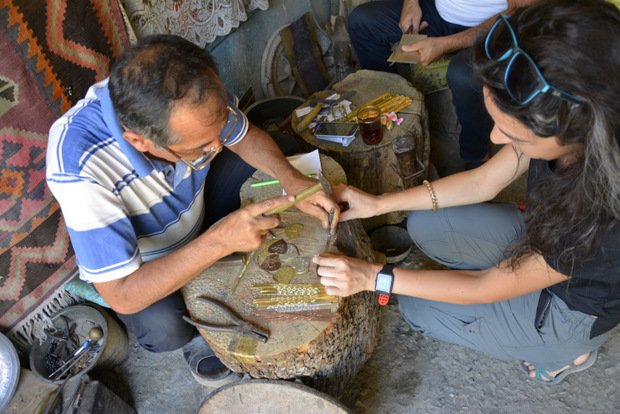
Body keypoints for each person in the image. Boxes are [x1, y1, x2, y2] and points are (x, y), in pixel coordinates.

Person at [316, 0, 620, 384]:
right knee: (425, 222)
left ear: (572, 131)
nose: (495, 138)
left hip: (570, 310)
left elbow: (484, 286)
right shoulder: (583, 122)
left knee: (417, 308)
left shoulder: (604, 212)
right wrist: (378, 203)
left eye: (511, 134)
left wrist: (372, 277)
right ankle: (519, 304)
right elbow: (483, 182)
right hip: (547, 245)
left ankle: (565, 354)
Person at [46, 35, 338, 380]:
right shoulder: (78, 166)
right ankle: (203, 336)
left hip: (196, 211)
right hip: (150, 266)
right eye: (200, 146)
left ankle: (221, 235)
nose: (218, 146)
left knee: (283, 153)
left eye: (216, 135)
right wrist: (219, 241)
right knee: (165, 327)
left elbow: (242, 137)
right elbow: (121, 295)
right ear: (140, 142)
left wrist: (291, 178)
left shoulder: (183, 85)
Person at [348, 0, 536, 169]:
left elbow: (520, 12)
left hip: (493, 28)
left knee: (463, 75)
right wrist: (410, 3)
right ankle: (390, 116)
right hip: (437, 12)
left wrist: (446, 44)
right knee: (363, 20)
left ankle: (475, 155)